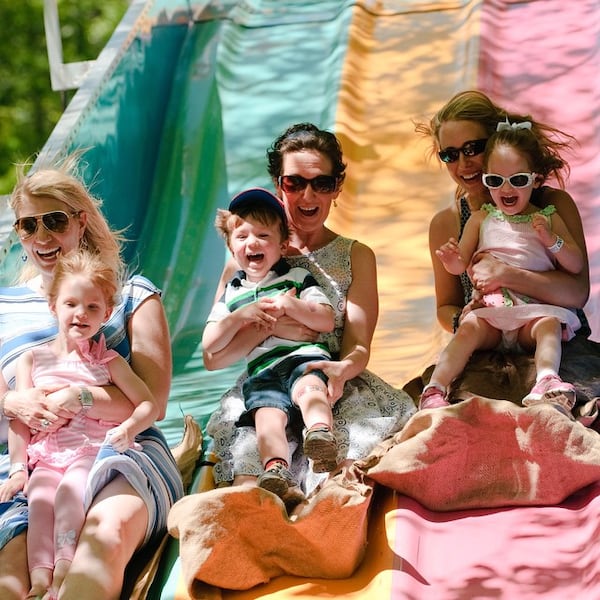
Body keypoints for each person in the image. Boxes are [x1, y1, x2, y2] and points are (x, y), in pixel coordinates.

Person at [0, 156, 183, 600]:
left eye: (55, 221)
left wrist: (80, 395)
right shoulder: (4, 306)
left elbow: (151, 403)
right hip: (27, 465)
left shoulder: (133, 296)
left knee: (103, 537)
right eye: (28, 226)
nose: (42, 237)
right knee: (12, 566)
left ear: (81, 222)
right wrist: (13, 403)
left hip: (117, 451)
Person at [204, 123, 416, 498]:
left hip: (331, 381)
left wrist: (341, 371)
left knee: (338, 475)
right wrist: (270, 330)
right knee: (250, 476)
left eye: (322, 183)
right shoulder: (245, 262)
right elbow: (214, 356)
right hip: (266, 382)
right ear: (278, 185)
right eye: (294, 183)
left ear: (337, 187)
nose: (308, 194)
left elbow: (358, 345)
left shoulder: (355, 255)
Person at [416, 90, 598, 415]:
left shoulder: (550, 206)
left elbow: (576, 293)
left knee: (573, 411)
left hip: (553, 342)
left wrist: (508, 275)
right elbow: (446, 307)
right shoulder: (449, 222)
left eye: (473, 148)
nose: (463, 163)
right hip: (487, 339)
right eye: (450, 155)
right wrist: (468, 316)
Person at [0, 250, 160, 599]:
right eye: (71, 304)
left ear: (106, 313)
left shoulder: (108, 361)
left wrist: (130, 428)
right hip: (44, 457)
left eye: (92, 307)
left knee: (69, 494)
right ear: (53, 306)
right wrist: (17, 470)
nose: (81, 314)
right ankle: (41, 579)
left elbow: (147, 403)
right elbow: (20, 420)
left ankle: (65, 573)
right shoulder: (33, 359)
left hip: (87, 452)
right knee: (40, 503)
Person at [204, 187, 338, 501]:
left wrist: (291, 306)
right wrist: (241, 317)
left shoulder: (297, 277)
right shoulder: (232, 293)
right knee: (267, 418)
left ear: (282, 244)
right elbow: (210, 344)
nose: (253, 243)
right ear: (230, 246)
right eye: (242, 236)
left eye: (264, 235)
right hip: (263, 372)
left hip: (301, 361)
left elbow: (325, 320)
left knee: (311, 391)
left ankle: (320, 434)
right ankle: (276, 467)